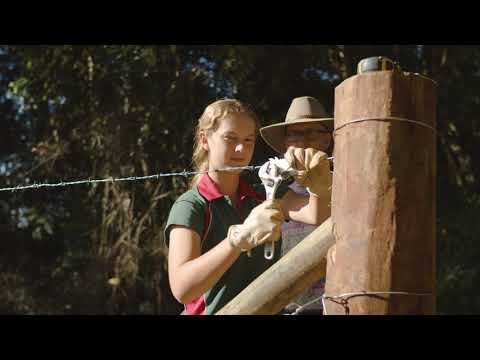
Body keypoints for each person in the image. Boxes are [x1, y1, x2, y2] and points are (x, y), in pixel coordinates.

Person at [165, 99, 330, 315]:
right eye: (230, 139)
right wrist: (239, 239)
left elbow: (317, 215)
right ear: (204, 140)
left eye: (248, 140)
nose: (241, 148)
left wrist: (320, 186)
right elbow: (183, 289)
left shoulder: (263, 193)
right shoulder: (191, 206)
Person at [260, 96, 333, 315]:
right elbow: (314, 214)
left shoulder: (348, 179)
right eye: (295, 134)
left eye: (312, 132)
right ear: (286, 144)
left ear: (327, 140)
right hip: (290, 306)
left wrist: (321, 180)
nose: (304, 141)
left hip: (336, 303)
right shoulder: (278, 187)